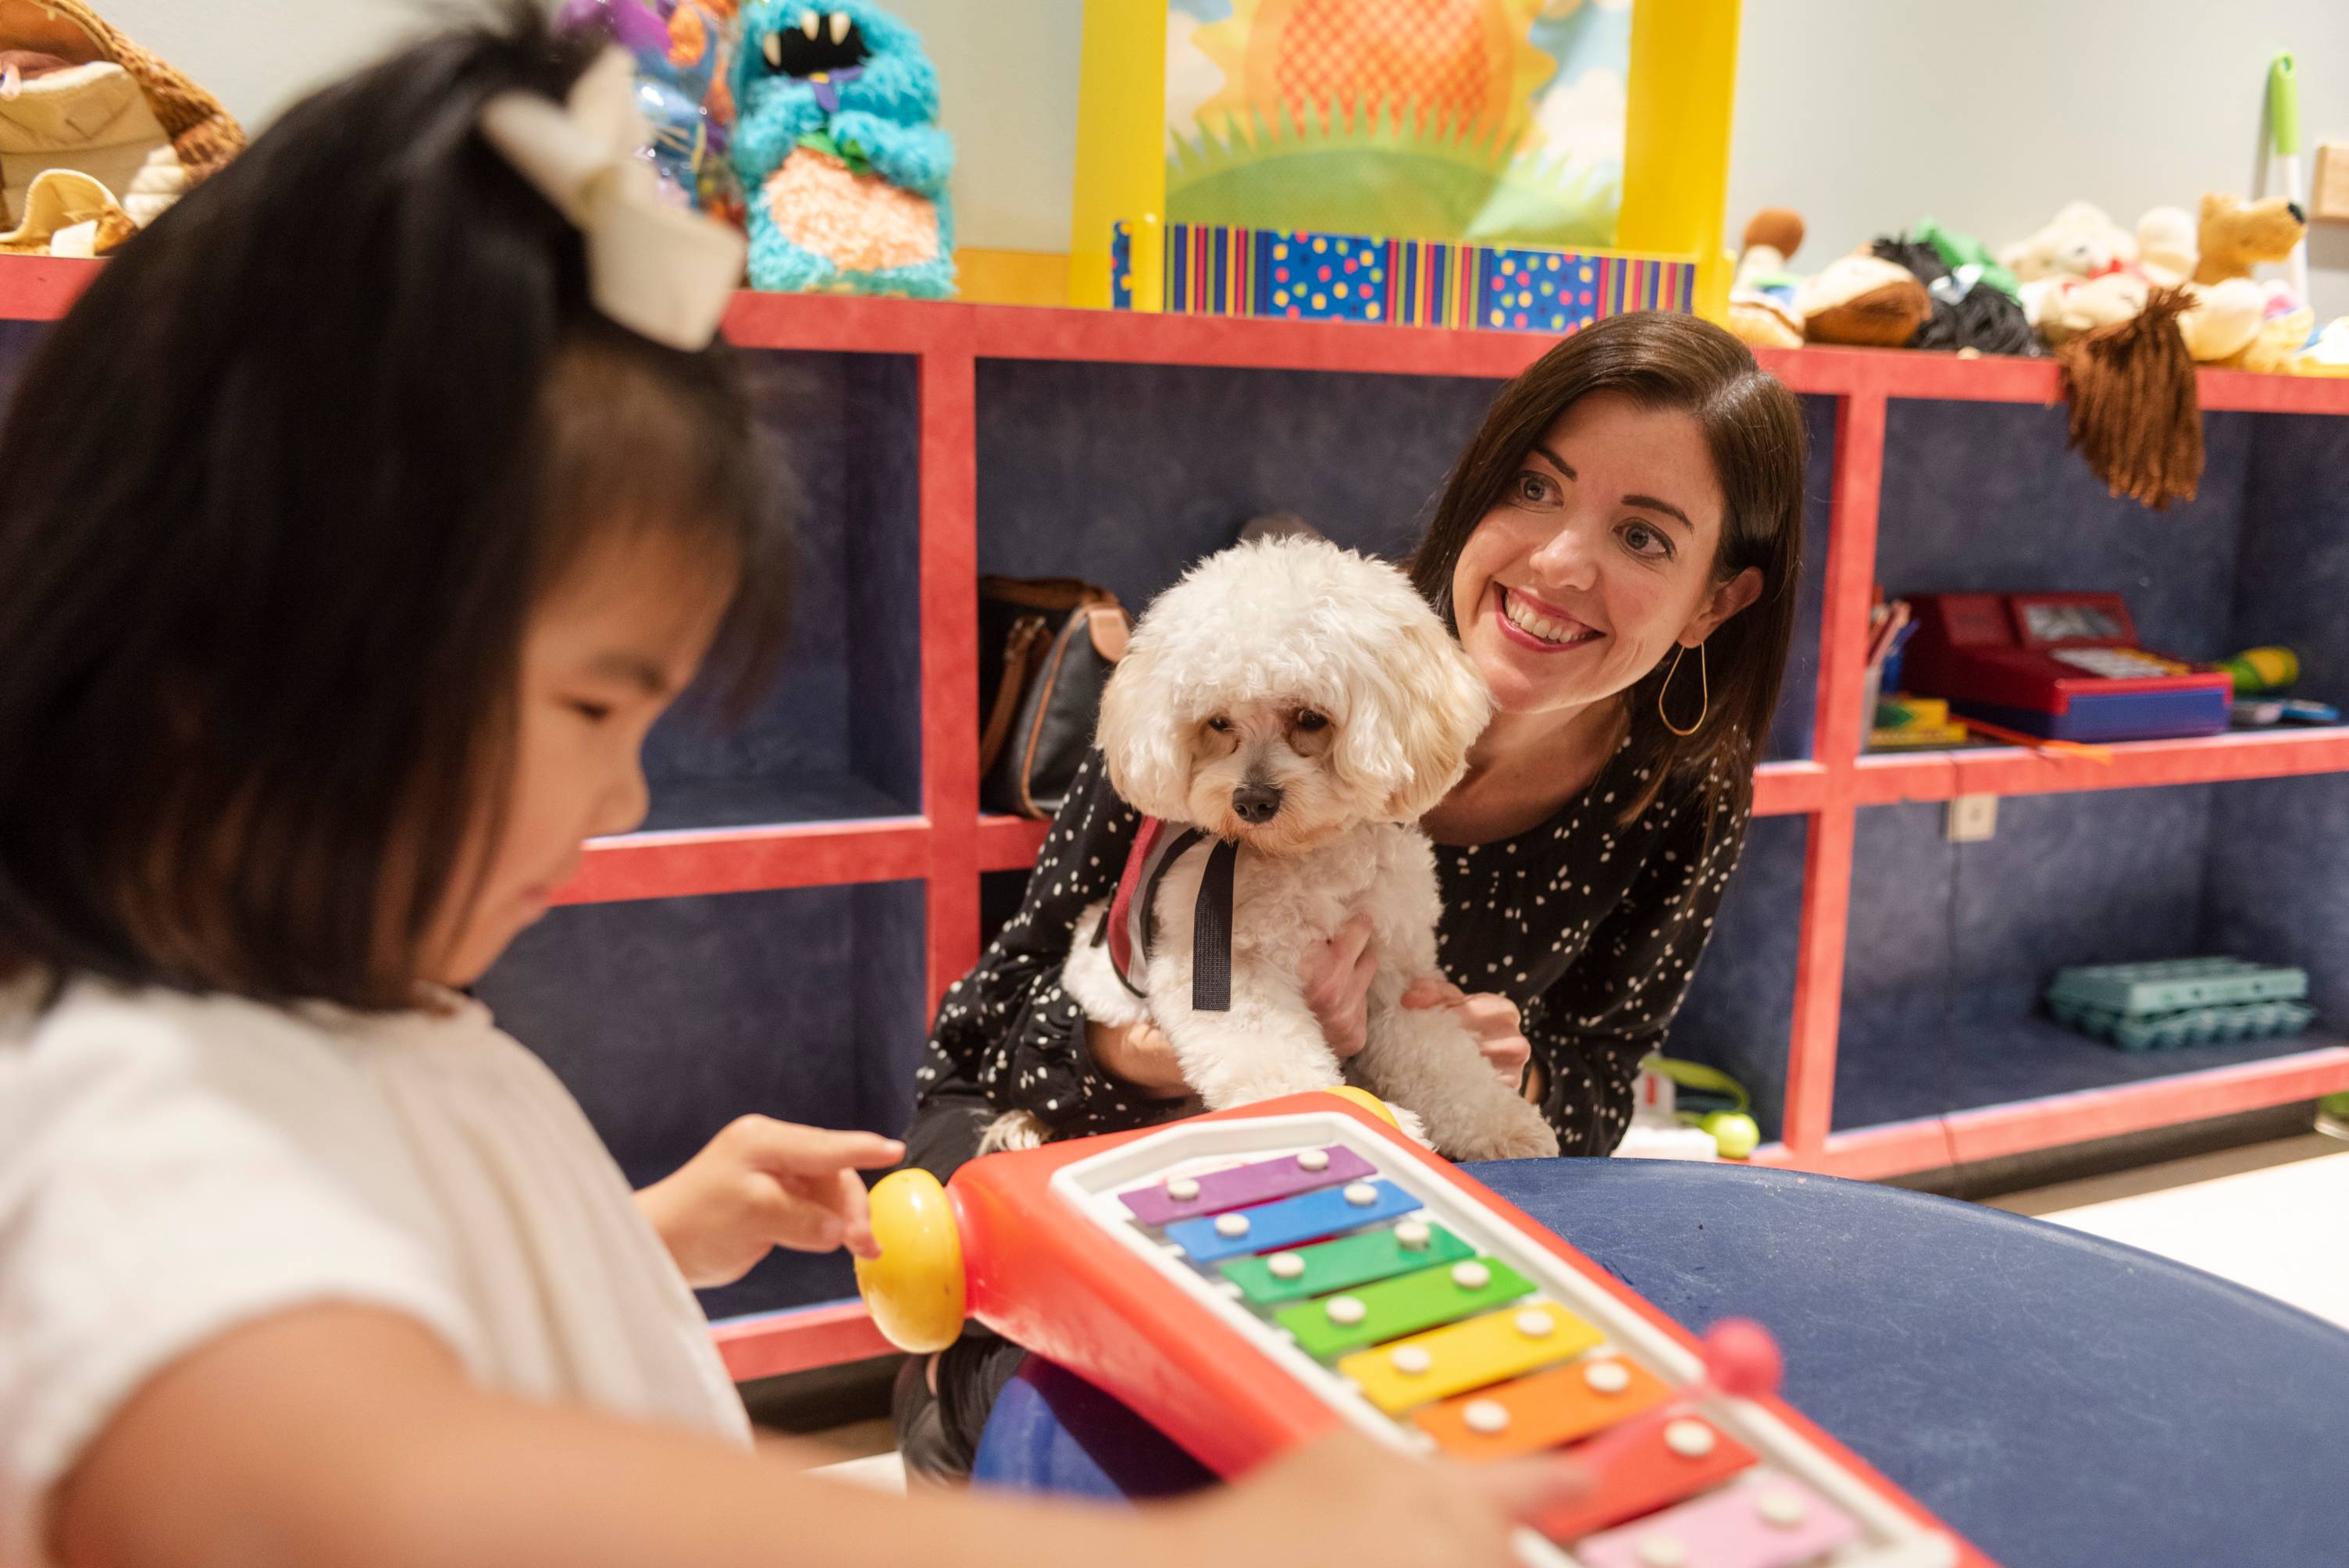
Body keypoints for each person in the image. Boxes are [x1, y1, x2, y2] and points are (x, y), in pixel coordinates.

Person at [0, 14, 1579, 1568]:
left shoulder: (361, 1018)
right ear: (233, 641)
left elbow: (411, 1295)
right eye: (591, 700)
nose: (621, 795)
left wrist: (646, 1231)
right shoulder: (139, 1097)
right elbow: (322, 1477)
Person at [903, 310, 1808, 1475]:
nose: (1561, 562)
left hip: (1392, 1284)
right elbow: (968, 1062)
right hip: (1112, 1235)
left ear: (1714, 602)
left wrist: (1508, 1063)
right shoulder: (1228, 681)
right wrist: (1155, 1047)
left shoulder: (1682, 798)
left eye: (1642, 536)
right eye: (1535, 488)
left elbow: (1594, 1087)